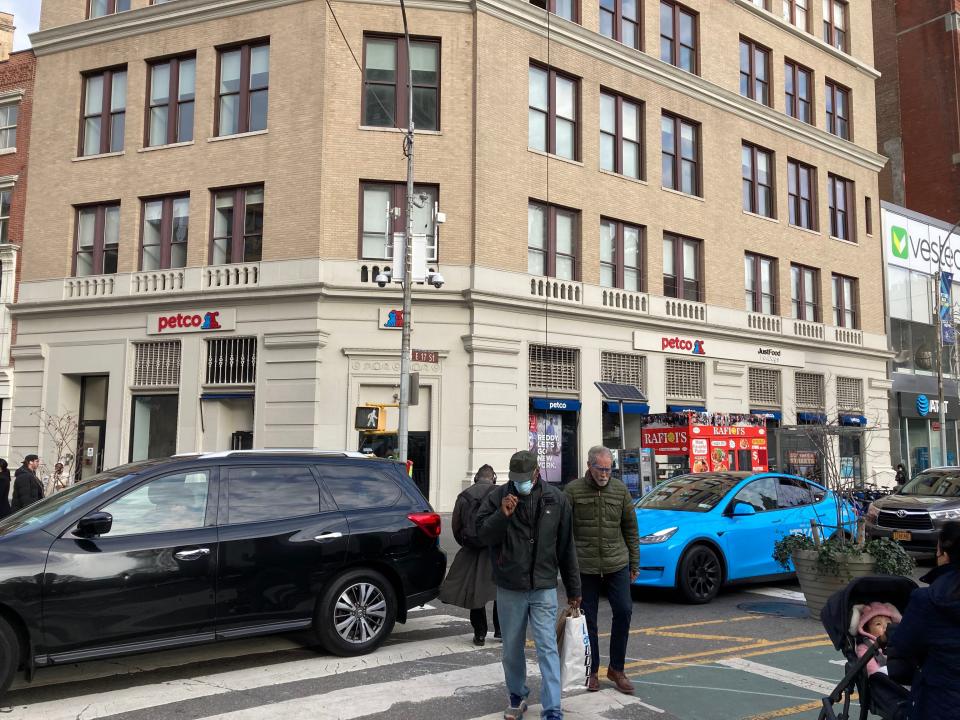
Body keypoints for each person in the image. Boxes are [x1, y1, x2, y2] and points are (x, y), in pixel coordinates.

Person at [477, 450, 581, 720]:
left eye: (524, 477)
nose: (520, 483)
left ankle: (552, 707)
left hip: (543, 584)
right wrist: (503, 515)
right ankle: (517, 695)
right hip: (510, 584)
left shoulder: (556, 499)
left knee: (547, 646)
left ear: (537, 472)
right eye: (515, 478)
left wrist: (574, 590)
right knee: (511, 647)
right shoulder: (498, 497)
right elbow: (482, 535)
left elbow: (566, 546)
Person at [564, 446, 640, 694]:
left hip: (616, 562)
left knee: (624, 611)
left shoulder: (620, 491)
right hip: (584, 566)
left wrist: (634, 563)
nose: (605, 474)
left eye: (609, 469)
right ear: (590, 466)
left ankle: (617, 669)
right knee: (589, 621)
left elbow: (630, 528)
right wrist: (566, 569)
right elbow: (563, 533)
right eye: (601, 469)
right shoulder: (573, 491)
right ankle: (593, 671)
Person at [886, 521, 960, 719]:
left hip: (941, 703)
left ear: (944, 554)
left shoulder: (928, 600)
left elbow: (903, 646)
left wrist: (892, 632)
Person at [439, 464, 501, 646]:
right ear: (493, 478)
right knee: (501, 591)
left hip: (472, 549)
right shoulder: (500, 493)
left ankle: (480, 634)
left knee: (476, 593)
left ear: (476, 478)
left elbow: (456, 526)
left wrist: (467, 543)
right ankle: (500, 631)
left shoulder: (464, 496)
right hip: (495, 549)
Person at [854, 602, 901, 676]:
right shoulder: (866, 646)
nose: (885, 626)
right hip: (883, 677)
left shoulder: (898, 641)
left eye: (888, 623)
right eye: (878, 624)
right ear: (866, 629)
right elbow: (870, 667)